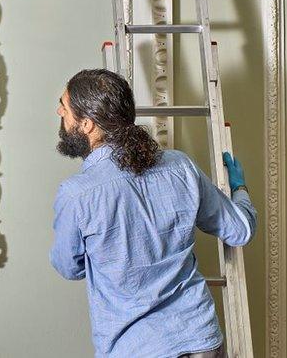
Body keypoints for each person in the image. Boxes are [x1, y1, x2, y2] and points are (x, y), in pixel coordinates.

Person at [50, 69, 256, 358]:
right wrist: (240, 188)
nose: (59, 110)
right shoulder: (180, 166)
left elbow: (69, 267)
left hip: (137, 350)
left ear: (86, 124)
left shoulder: (77, 194)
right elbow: (241, 230)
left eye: (64, 105)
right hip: (200, 340)